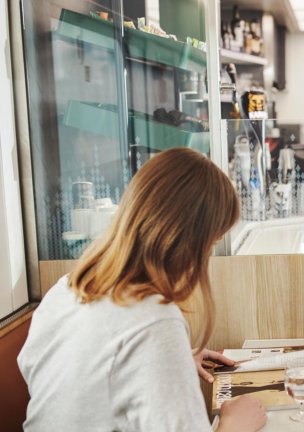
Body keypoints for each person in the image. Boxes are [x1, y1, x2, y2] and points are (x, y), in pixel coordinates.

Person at [18, 148, 267, 432]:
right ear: (188, 242)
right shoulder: (155, 320)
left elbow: (74, 382)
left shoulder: (66, 289)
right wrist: (235, 424)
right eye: (210, 243)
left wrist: (171, 364)